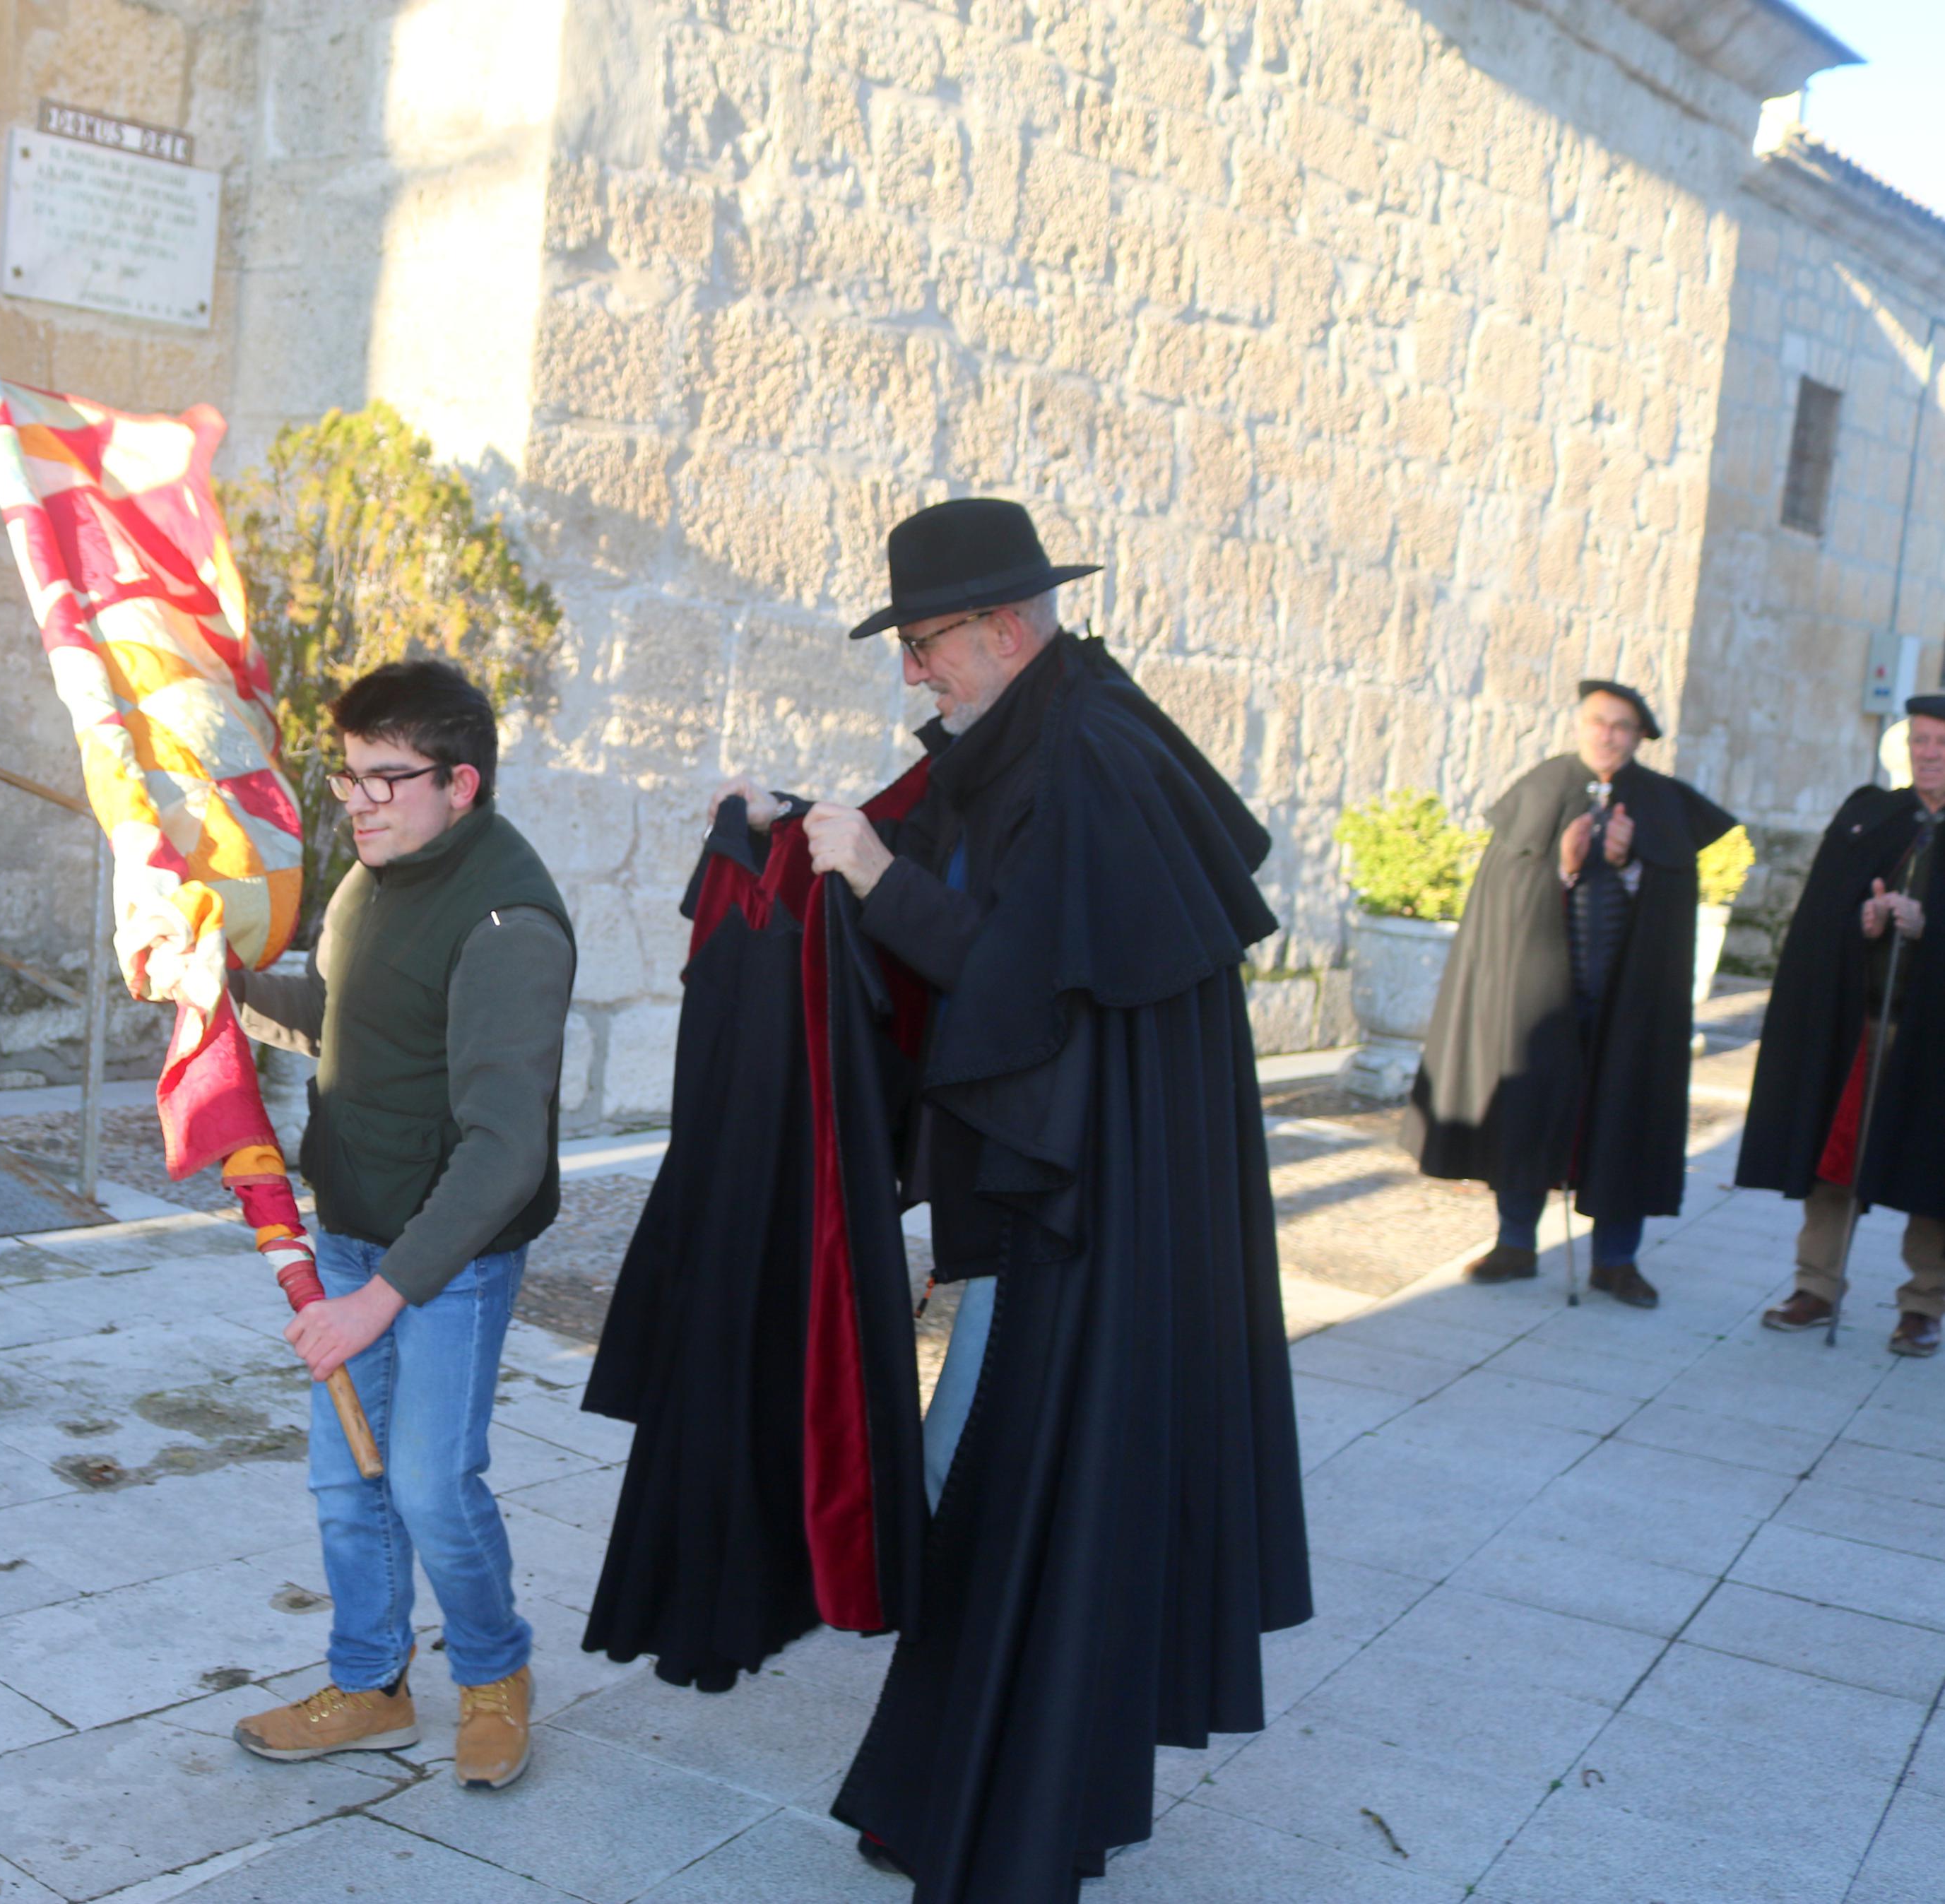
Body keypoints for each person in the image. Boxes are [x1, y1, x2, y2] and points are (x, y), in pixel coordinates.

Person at [604, 498, 1311, 1898]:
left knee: (1027, 1501)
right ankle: (960, 1793)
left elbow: (1026, 1001)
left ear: (999, 627)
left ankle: (1008, 1812)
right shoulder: (1033, 743)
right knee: (1008, 1504)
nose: (912, 673)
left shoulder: (1089, 758)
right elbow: (959, 900)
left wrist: (867, 876)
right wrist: (789, 840)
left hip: (1090, 1234)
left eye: (924, 643)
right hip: (1057, 1211)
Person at [153, 660, 573, 1792]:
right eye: (349, 777)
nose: (360, 801)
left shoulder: (508, 923)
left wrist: (376, 1302)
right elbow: (346, 1021)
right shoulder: (370, 881)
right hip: (347, 1232)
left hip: (447, 1260)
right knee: (349, 1484)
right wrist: (223, 988)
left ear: (462, 782)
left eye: (388, 778)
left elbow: (503, 1151)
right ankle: (372, 1685)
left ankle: (492, 1672)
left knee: (431, 1483)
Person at [1408, 683, 1741, 1307]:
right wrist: (1560, 866)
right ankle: (1514, 1242)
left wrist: (1628, 864)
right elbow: (1505, 895)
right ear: (1579, 724)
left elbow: (1670, 912)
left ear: (1640, 736)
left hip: (1627, 999)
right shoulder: (1540, 788)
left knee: (1623, 1112)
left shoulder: (1661, 803)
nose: (1607, 735)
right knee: (1527, 1105)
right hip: (1540, 992)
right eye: (1597, 722)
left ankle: (1616, 1260)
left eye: (1621, 726)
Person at [1742, 697, 1945, 1357]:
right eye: (1918, 740)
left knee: (1932, 1168)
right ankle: (1817, 1285)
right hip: (1862, 1024)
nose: (1927, 753)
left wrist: (1927, 926)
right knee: (1837, 1157)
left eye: (1940, 743)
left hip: (1934, 1038)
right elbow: (1822, 919)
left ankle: (1922, 1304)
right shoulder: (1872, 816)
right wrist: (1862, 926)